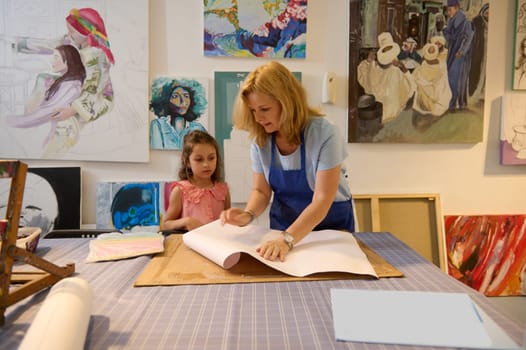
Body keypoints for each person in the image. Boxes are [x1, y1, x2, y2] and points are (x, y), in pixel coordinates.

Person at [220, 61, 355, 262]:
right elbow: (261, 191)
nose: (258, 118)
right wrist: (248, 215)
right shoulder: (261, 139)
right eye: (253, 110)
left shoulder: (325, 133)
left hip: (330, 226)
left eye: (264, 109)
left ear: (288, 102)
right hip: (283, 228)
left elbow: (322, 200)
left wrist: (287, 239)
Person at [14, 8, 115, 157]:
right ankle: (30, 121)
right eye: (68, 30)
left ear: (87, 34)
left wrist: (72, 110)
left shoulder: (96, 55)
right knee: (43, 79)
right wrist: (16, 44)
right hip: (74, 82)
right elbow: (48, 44)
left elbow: (94, 89)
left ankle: (51, 155)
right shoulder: (71, 39)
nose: (69, 34)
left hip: (93, 97)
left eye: (72, 31)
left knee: (66, 124)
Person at [6, 45, 86, 147]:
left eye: (56, 57)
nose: (52, 61)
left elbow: (48, 112)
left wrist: (13, 121)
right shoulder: (65, 81)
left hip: (48, 129)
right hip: (43, 125)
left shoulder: (72, 86)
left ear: (68, 61)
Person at [163, 130, 230, 231]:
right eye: (199, 159)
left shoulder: (223, 190)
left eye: (211, 158)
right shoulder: (180, 190)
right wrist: (186, 221)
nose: (206, 164)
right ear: (187, 162)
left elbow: (228, 222)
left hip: (216, 244)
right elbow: (166, 224)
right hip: (189, 245)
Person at [357, 32, 416, 123]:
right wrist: (369, 63)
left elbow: (411, 88)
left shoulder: (395, 70)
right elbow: (411, 88)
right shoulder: (374, 68)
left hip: (389, 113)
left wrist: (403, 69)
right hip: (383, 113)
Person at [149, 77, 208, 150]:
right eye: (175, 96)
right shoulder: (158, 125)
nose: (182, 101)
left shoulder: (198, 128)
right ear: (165, 99)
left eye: (186, 96)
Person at [443, 0, 473, 112]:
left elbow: (469, 37)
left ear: (456, 8)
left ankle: (454, 104)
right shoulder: (451, 21)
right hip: (452, 52)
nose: (448, 12)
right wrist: (445, 32)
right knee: (451, 78)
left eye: (450, 9)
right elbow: (450, 38)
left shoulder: (465, 22)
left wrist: (461, 51)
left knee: (455, 78)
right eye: (448, 10)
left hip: (460, 55)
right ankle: (452, 103)